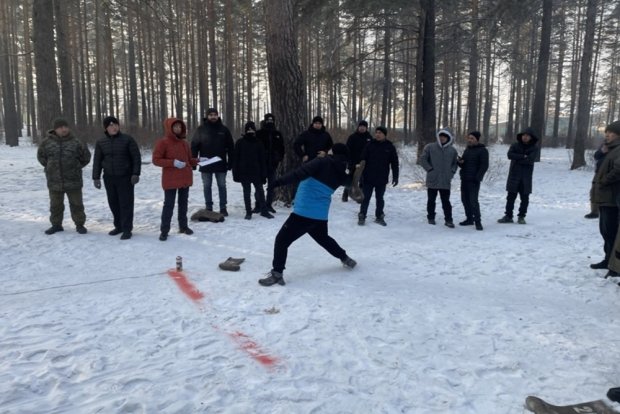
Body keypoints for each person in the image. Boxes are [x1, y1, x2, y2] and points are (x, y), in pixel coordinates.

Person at [258, 143, 357, 287]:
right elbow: (350, 183)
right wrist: (354, 172)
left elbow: (298, 173)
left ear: (332, 152)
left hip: (304, 212)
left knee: (281, 240)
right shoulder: (342, 170)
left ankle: (277, 274)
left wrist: (278, 182)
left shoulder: (321, 162)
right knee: (323, 239)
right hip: (320, 215)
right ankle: (345, 258)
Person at [37, 118, 91, 235]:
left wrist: (76, 166)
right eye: (61, 127)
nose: (64, 129)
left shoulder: (76, 142)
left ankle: (80, 224)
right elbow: (41, 157)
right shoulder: (46, 142)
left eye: (65, 127)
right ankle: (56, 225)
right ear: (55, 129)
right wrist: (50, 167)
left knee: (77, 204)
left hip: (73, 180)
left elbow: (86, 157)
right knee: (55, 205)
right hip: (54, 180)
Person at [92, 116, 142, 240]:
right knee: (113, 203)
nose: (113, 127)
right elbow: (97, 160)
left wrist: (136, 173)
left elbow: (136, 158)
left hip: (126, 178)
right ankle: (118, 226)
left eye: (115, 124)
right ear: (106, 128)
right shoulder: (101, 142)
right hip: (109, 178)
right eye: (110, 125)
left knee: (126, 204)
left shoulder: (128, 140)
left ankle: (126, 229)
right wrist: (96, 177)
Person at [152, 118, 198, 241]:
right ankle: (164, 230)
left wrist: (198, 160)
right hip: (170, 179)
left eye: (180, 127)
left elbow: (189, 160)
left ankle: (183, 226)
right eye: (175, 127)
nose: (178, 129)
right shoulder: (163, 142)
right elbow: (156, 160)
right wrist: (173, 163)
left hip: (185, 178)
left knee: (183, 204)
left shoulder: (184, 143)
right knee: (169, 205)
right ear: (169, 128)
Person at [190, 108, 234, 216]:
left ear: (218, 116)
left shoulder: (224, 130)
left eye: (215, 115)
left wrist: (231, 162)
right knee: (207, 186)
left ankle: (223, 208)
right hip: (205, 164)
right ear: (207, 116)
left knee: (222, 186)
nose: (213, 117)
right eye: (211, 115)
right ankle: (208, 207)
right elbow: (194, 146)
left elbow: (231, 147)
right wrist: (193, 162)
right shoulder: (201, 129)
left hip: (221, 163)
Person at [591, 121, 620, 277]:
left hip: (612, 197)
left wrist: (604, 180)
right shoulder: (609, 148)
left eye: (611, 133)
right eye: (606, 133)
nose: (607, 135)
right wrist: (602, 151)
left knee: (612, 233)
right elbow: (598, 159)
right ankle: (607, 259)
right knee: (605, 231)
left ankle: (615, 266)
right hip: (604, 197)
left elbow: (618, 170)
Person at [357, 126, 399, 226]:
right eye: (376, 132)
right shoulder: (369, 145)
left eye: (380, 133)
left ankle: (379, 216)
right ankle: (362, 215)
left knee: (380, 198)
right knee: (365, 197)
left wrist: (395, 177)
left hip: (382, 178)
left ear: (384, 134)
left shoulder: (390, 146)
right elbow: (362, 159)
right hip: (368, 177)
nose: (377, 134)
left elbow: (394, 163)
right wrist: (359, 174)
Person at [497, 127, 540, 224]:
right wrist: (523, 156)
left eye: (527, 136)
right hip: (514, 175)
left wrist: (518, 158)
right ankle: (508, 216)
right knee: (510, 197)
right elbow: (510, 155)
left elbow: (530, 160)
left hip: (526, 177)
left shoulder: (534, 148)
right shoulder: (515, 145)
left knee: (524, 198)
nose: (525, 137)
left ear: (531, 137)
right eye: (524, 135)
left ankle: (521, 216)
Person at [233, 121, 273, 220]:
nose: (250, 131)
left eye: (252, 129)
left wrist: (263, 174)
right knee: (246, 192)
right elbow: (236, 159)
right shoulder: (240, 142)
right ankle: (248, 212)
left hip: (257, 172)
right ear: (245, 130)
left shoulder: (259, 143)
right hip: (244, 172)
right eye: (248, 129)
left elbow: (262, 159)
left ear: (254, 130)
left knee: (260, 191)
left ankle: (264, 211)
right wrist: (235, 173)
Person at [421, 129, 458, 227]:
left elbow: (455, 163)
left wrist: (452, 172)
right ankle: (431, 217)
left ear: (448, 138)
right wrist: (429, 169)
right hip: (433, 178)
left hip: (445, 180)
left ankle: (449, 220)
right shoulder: (430, 147)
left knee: (446, 201)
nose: (442, 138)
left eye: (444, 137)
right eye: (441, 136)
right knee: (431, 200)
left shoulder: (452, 150)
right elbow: (423, 159)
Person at [457, 131, 489, 231]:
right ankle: (469, 219)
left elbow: (484, 166)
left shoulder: (483, 150)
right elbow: (463, 164)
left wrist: (478, 178)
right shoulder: (467, 150)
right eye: (469, 138)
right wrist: (460, 162)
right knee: (464, 200)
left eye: (472, 138)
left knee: (473, 201)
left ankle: (478, 222)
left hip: (474, 180)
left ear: (477, 139)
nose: (470, 140)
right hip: (464, 178)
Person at [256, 113, 285, 213]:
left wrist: (279, 158)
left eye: (271, 120)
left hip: (273, 164)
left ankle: (269, 204)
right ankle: (258, 204)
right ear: (265, 120)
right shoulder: (259, 133)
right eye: (268, 120)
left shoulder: (277, 134)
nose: (270, 121)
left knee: (271, 185)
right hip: (261, 164)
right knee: (258, 185)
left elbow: (282, 148)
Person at [343, 120, 372, 202]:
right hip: (353, 162)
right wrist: (349, 162)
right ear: (358, 127)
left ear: (366, 128)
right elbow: (347, 150)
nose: (362, 128)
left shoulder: (369, 138)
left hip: (364, 163)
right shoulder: (352, 137)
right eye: (361, 126)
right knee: (351, 179)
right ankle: (345, 195)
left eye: (364, 126)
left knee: (363, 180)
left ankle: (360, 197)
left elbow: (372, 150)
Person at [584, 143, 608, 219]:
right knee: (594, 192)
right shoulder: (605, 144)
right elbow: (596, 156)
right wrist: (601, 151)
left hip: (610, 173)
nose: (608, 136)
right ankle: (594, 211)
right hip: (598, 173)